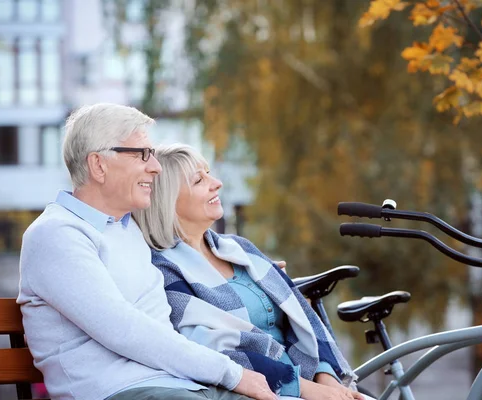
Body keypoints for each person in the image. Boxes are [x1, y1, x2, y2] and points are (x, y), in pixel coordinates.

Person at [17, 103, 278, 400]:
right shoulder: (56, 235)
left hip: (178, 385)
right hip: (121, 391)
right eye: (142, 154)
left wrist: (252, 276)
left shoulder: (127, 229)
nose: (155, 166)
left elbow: (182, 259)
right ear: (98, 165)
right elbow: (124, 330)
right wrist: (232, 373)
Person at [133, 144, 364, 400]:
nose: (216, 183)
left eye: (209, 173)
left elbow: (303, 318)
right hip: (262, 391)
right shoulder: (165, 270)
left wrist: (327, 378)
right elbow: (207, 351)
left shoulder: (239, 248)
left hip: (312, 381)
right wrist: (306, 389)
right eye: (199, 180)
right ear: (168, 201)